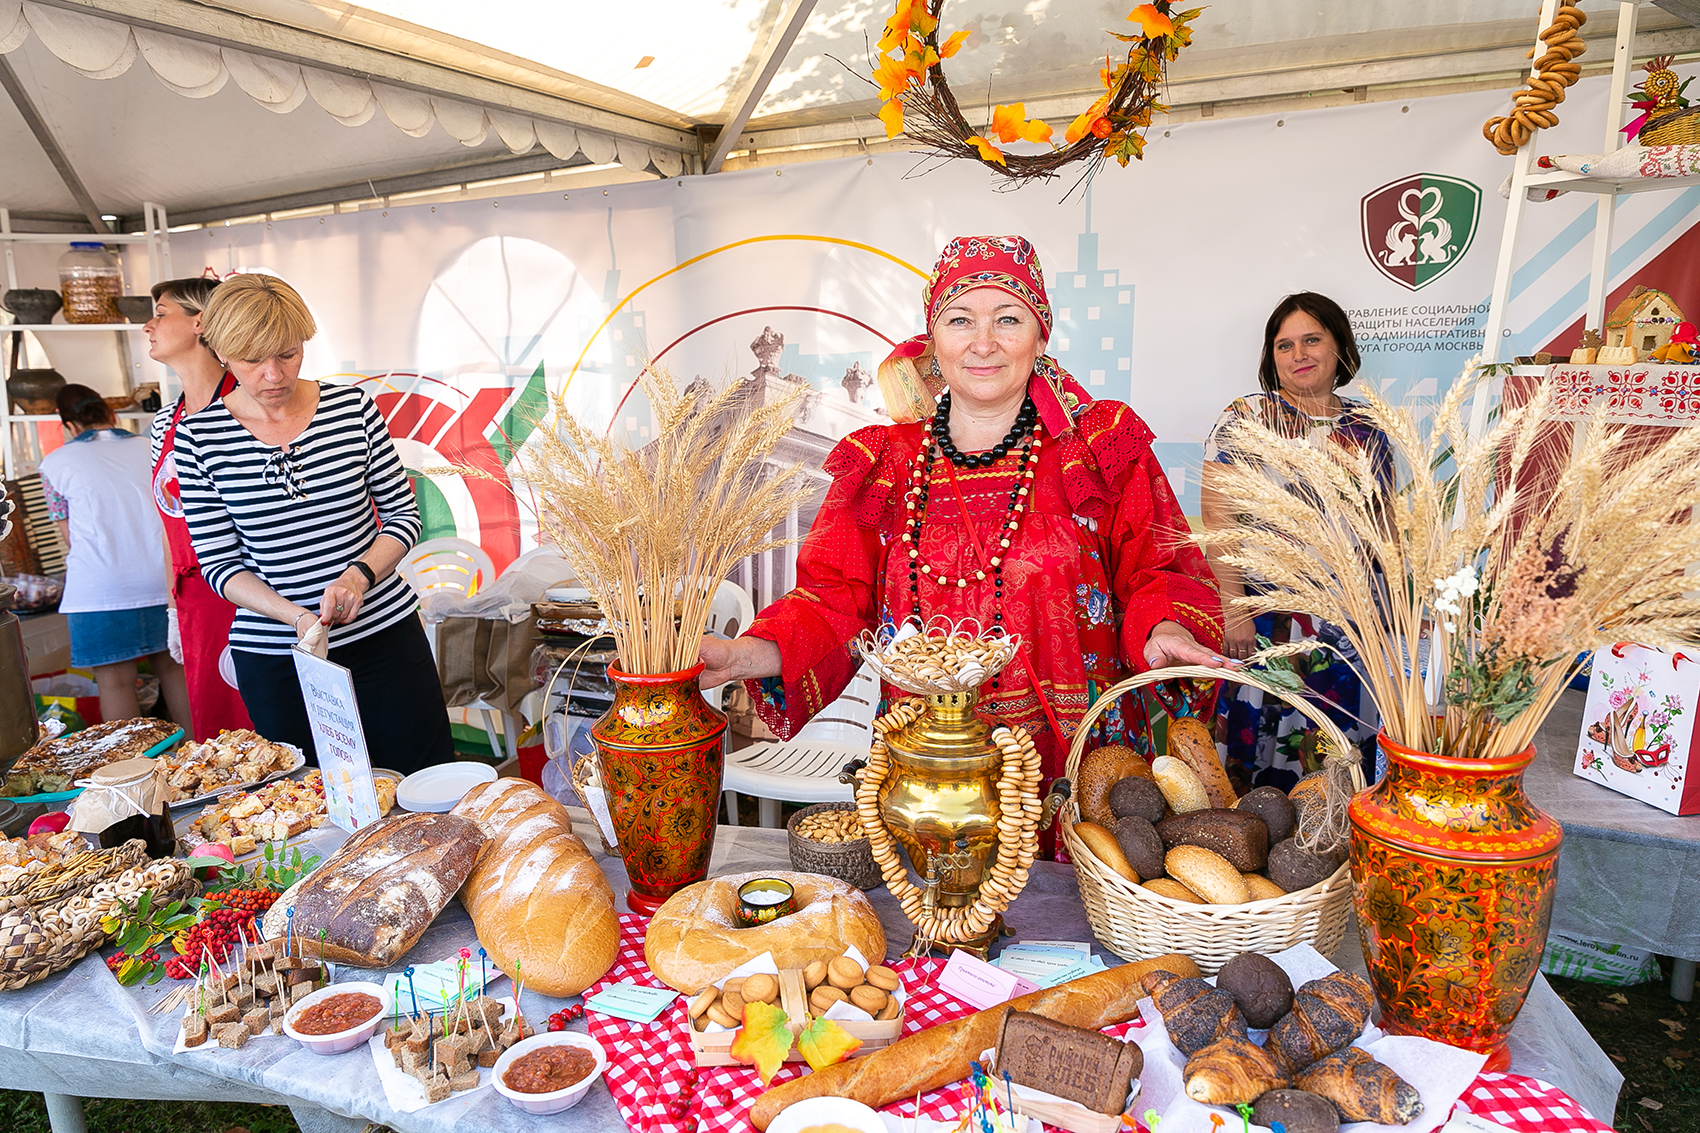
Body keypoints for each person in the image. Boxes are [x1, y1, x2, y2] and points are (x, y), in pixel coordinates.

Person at [700, 235, 1227, 795]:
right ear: (933, 341)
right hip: (927, 773)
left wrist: (1165, 625)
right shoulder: (886, 461)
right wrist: (745, 653)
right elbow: (831, 597)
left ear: (1039, 335)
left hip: (1075, 767)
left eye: (1007, 319)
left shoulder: (1098, 447)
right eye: (959, 321)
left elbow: (1162, 567)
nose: (983, 343)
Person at [174, 273, 451, 775]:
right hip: (279, 659)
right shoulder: (199, 437)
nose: (274, 374)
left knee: (422, 784)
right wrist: (295, 617)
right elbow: (219, 565)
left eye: (288, 353)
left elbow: (403, 516)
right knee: (314, 803)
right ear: (222, 353)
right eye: (252, 360)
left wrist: (358, 576)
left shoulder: (352, 409)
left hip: (384, 637)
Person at [1200, 292, 1392, 790]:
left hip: (1349, 629)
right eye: (1284, 345)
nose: (1299, 354)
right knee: (1255, 763)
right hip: (1269, 621)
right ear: (1271, 358)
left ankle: (1328, 856)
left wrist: (1390, 612)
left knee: (1335, 759)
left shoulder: (1368, 429)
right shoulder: (1247, 417)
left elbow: (1383, 526)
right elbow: (1219, 517)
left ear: (1340, 348)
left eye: (1312, 340)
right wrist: (1235, 607)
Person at [39, 385, 192, 728]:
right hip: (162, 579)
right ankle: (198, 760)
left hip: (99, 590)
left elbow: (68, 536)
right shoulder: (151, 447)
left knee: (115, 682)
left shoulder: (53, 464)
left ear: (69, 425)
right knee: (175, 670)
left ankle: (128, 776)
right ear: (113, 415)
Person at [145, 276, 254, 740]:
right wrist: (173, 606)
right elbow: (166, 521)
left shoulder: (248, 406)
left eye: (161, 311)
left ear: (201, 322)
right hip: (194, 599)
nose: (148, 324)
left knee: (266, 722)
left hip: (250, 593)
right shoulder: (163, 422)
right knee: (218, 733)